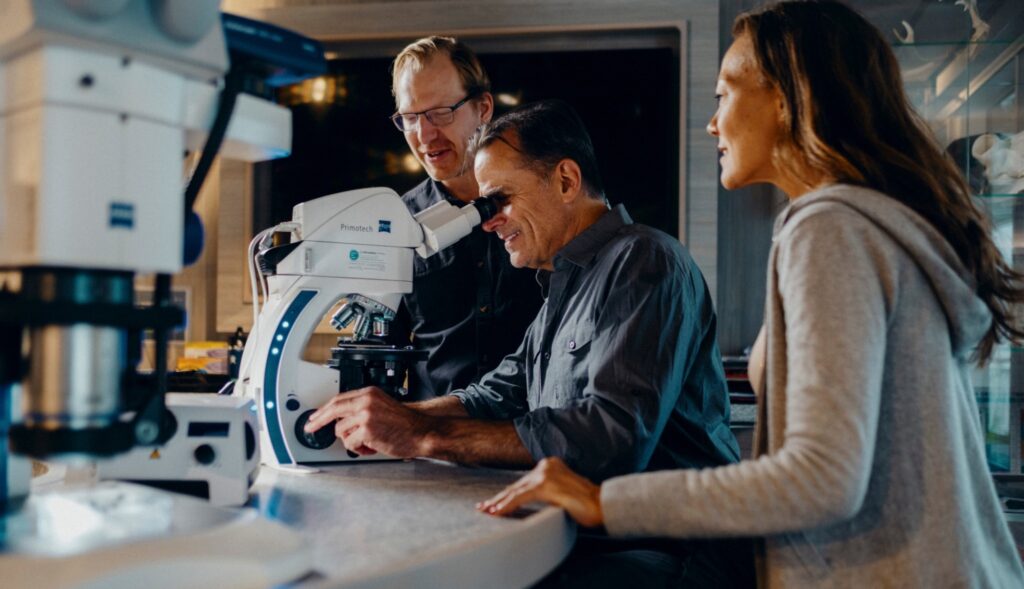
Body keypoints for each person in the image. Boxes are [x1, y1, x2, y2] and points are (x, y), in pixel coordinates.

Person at [478, 1, 1024, 587]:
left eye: (725, 94)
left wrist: (605, 500)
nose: (713, 123)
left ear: (787, 99)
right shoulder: (854, 225)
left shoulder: (831, 228)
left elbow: (821, 478)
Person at [305, 99, 749, 585]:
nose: (490, 221)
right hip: (599, 537)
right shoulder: (565, 284)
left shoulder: (644, 260)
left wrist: (422, 436)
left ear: (565, 181)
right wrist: (386, 422)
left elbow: (610, 437)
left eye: (499, 200)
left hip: (670, 550)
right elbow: (498, 396)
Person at [387, 36, 543, 400]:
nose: (424, 135)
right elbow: (383, 351)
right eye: (411, 118)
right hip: (433, 443)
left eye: (441, 112)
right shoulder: (396, 223)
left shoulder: (540, 205)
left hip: (531, 440)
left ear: (483, 108)